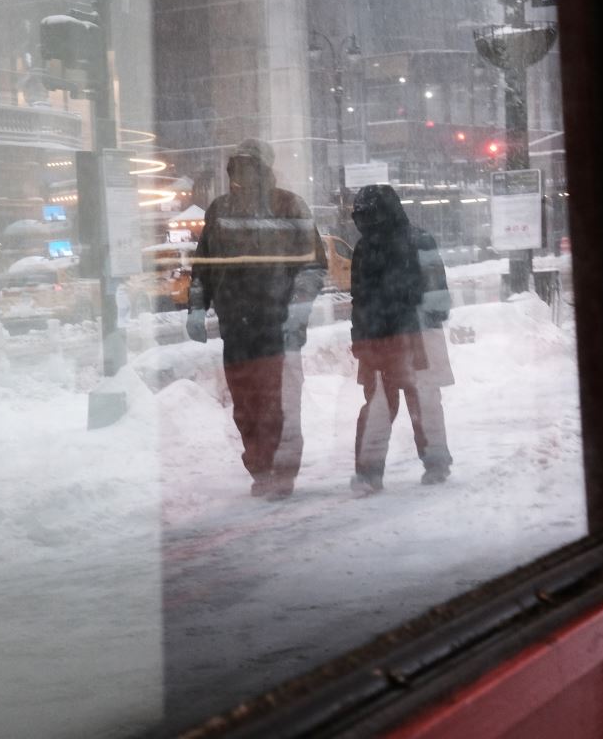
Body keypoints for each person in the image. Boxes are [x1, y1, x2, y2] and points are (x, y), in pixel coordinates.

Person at [191, 140, 326, 499]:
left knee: (277, 404)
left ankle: (280, 471)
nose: (244, 172)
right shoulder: (220, 209)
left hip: (276, 327)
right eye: (239, 165)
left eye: (251, 165)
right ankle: (260, 468)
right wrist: (195, 304)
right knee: (246, 405)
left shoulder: (289, 205)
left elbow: (312, 267)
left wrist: (296, 314)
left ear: (265, 167)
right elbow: (204, 264)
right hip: (236, 327)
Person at [347, 183, 454, 495]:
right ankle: (427, 463)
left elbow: (361, 298)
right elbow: (361, 298)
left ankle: (373, 473)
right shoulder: (403, 241)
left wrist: (361, 334)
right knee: (416, 402)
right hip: (395, 336)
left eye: (369, 215)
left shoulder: (374, 246)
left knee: (404, 402)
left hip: (406, 335)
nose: (366, 221)